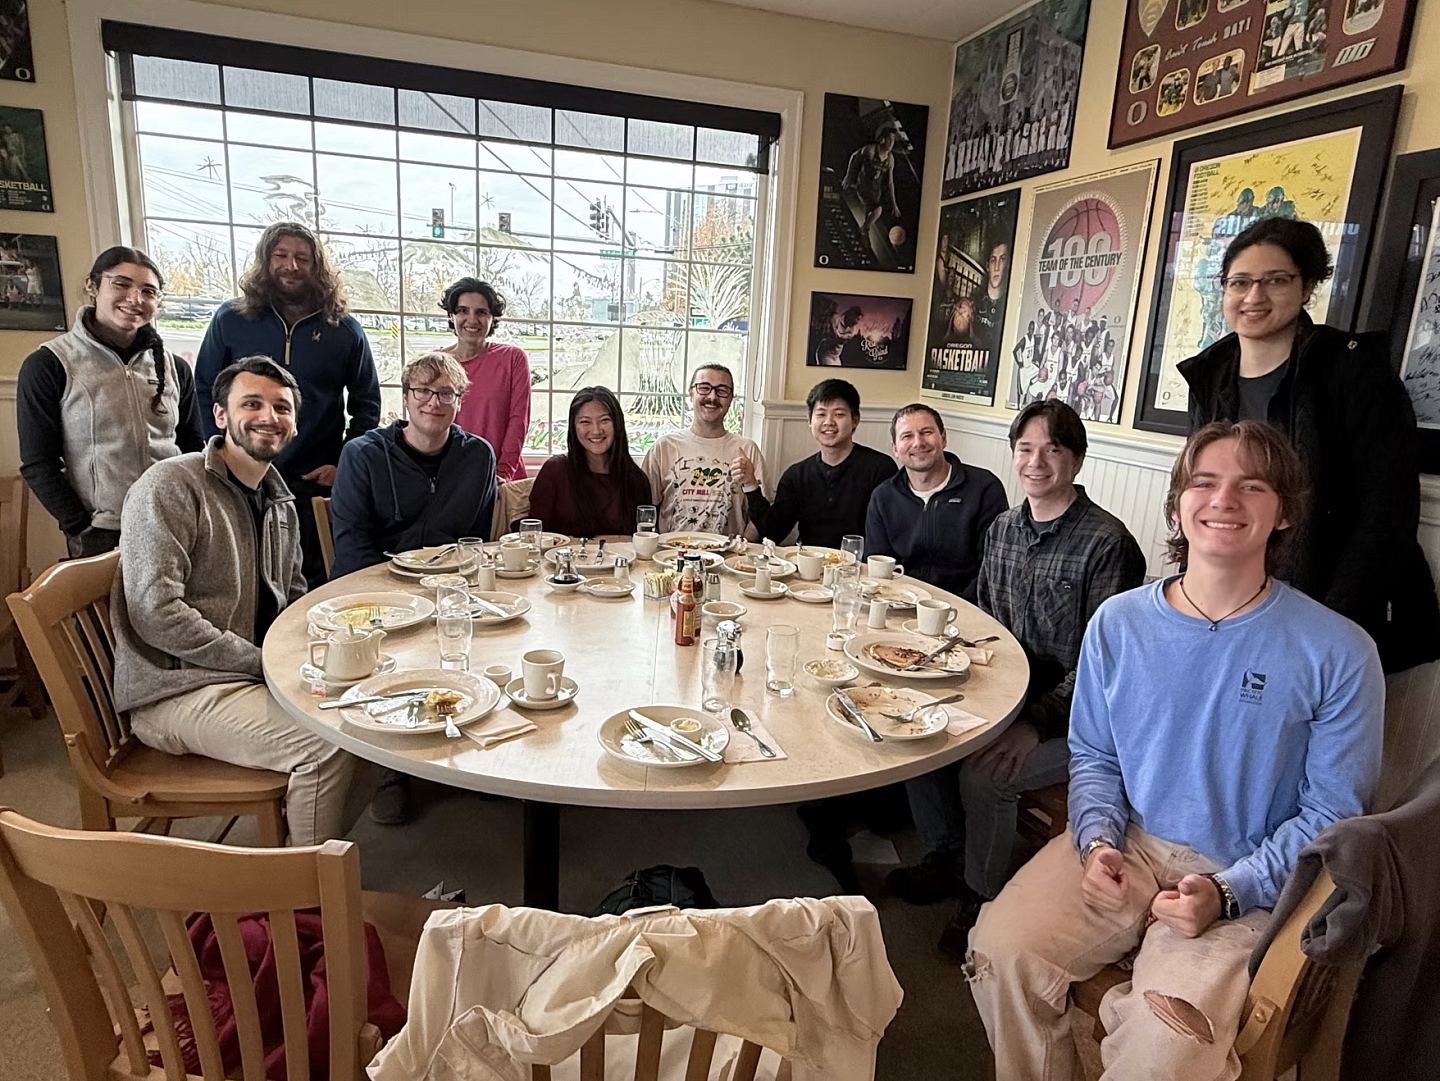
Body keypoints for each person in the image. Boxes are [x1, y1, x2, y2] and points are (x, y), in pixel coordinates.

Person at [967, 420, 1384, 1081]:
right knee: (998, 952)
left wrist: (1229, 889)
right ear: (1178, 503)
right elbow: (1096, 756)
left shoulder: (1338, 650)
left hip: (1246, 865)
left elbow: (1333, 812)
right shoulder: (1120, 623)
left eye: (1252, 486)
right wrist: (1098, 840)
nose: (1224, 500)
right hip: (1128, 839)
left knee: (1170, 1043)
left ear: (1282, 513)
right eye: (1206, 482)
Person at [887, 402, 1146, 943]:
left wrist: (1034, 724)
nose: (1037, 462)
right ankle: (946, 854)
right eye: (1026, 449)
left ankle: (981, 897)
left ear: (1076, 459)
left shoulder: (1107, 544)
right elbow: (984, 627)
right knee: (908, 724)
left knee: (986, 776)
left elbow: (1105, 672)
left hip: (1081, 719)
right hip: (1008, 693)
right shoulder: (1003, 528)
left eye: (1053, 449)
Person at [111, 356, 357, 847]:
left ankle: (308, 839)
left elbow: (292, 599)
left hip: (246, 678)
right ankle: (301, 895)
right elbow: (155, 612)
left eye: (282, 408)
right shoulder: (170, 486)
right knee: (325, 746)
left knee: (365, 720)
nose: (269, 416)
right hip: (176, 691)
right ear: (221, 415)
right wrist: (260, 662)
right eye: (253, 403)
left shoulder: (277, 496)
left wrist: (326, 651)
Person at [1179, 216, 1440, 673]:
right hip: (1236, 599)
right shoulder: (1211, 374)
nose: (1254, 296)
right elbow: (1201, 491)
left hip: (1331, 602)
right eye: (1239, 282)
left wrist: (1324, 627)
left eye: (1275, 280)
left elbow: (1386, 518)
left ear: (1307, 287)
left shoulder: (1354, 373)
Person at [195, 222, 381, 588]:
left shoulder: (344, 329)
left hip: (313, 481)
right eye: (280, 256)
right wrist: (216, 452)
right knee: (243, 577)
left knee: (311, 578)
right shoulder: (231, 319)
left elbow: (367, 402)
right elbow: (205, 388)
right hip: (240, 476)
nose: (290, 266)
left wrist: (343, 462)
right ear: (265, 262)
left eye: (302, 258)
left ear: (317, 267)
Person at [18, 246, 203, 558]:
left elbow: (192, 446)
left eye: (148, 291)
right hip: (102, 534)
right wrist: (79, 527)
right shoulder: (49, 364)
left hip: (175, 523)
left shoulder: (175, 368)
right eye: (121, 284)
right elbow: (39, 462)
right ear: (93, 286)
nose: (135, 299)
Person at [329, 352, 497, 578]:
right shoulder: (362, 455)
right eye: (423, 391)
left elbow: (475, 542)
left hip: (448, 584)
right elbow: (352, 549)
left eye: (446, 393)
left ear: (459, 402)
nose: (434, 402)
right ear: (406, 398)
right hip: (373, 587)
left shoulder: (479, 457)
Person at [865, 404, 1006, 601]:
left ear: (944, 438)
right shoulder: (883, 497)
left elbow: (992, 567)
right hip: (900, 604)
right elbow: (878, 567)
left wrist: (956, 606)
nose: (918, 443)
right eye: (907, 436)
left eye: (927, 432)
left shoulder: (984, 488)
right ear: (895, 449)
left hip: (966, 607)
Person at [745, 379, 895, 549]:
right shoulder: (796, 476)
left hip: (860, 568)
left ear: (855, 420)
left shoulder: (880, 469)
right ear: (810, 421)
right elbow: (772, 532)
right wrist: (750, 484)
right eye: (821, 414)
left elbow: (889, 533)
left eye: (839, 414)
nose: (829, 422)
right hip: (808, 566)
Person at [643, 364, 768, 536]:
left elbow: (761, 516)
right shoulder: (664, 447)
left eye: (722, 391)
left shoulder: (747, 449)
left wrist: (743, 550)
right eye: (704, 388)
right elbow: (646, 508)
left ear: (731, 398)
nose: (712, 396)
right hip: (672, 554)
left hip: (729, 556)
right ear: (691, 393)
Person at [529, 386, 652, 538]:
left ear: (618, 424)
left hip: (624, 560)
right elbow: (534, 533)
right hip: (565, 560)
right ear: (574, 427)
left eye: (605, 420)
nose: (596, 431)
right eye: (585, 422)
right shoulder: (555, 470)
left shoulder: (636, 479)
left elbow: (645, 538)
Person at [442, 277, 531, 482]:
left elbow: (518, 421)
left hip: (502, 480)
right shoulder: (437, 364)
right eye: (463, 310)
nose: (472, 319)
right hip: (451, 481)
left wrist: (502, 474)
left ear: (492, 318)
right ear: (451, 315)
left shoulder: (513, 359)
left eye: (481, 312)